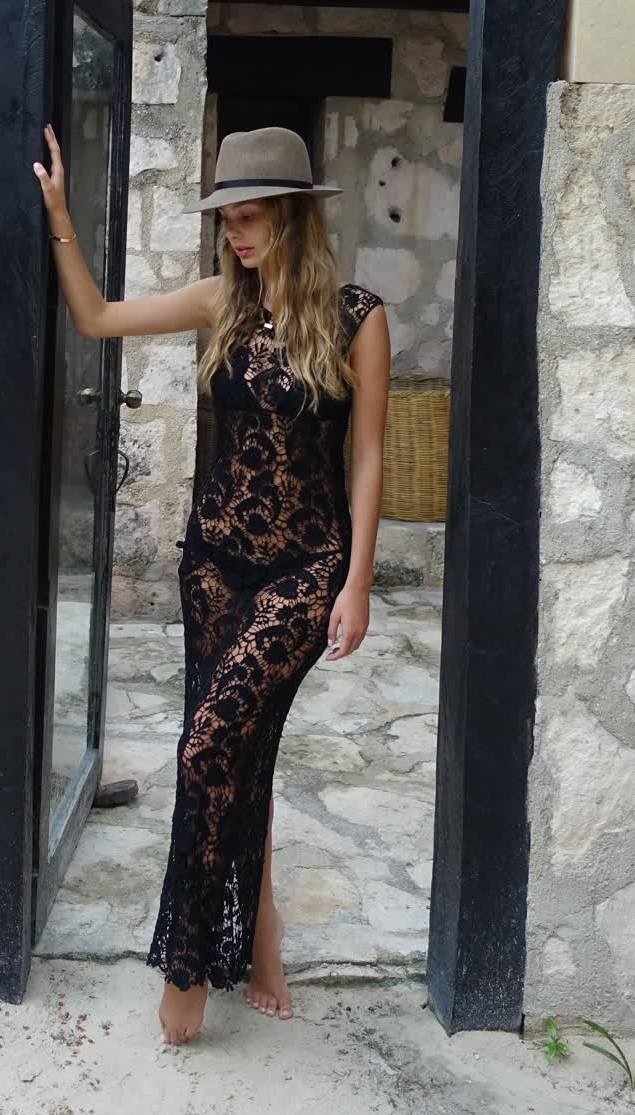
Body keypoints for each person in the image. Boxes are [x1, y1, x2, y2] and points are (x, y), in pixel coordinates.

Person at [33, 121, 390, 1047]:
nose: (235, 235)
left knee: (203, 750)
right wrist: (61, 215)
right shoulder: (218, 302)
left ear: (294, 219)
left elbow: (367, 457)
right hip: (213, 565)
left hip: (305, 568)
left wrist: (356, 581)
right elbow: (95, 318)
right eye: (226, 220)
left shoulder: (357, 317)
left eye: (251, 218)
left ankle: (188, 964)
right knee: (240, 753)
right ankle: (260, 931)